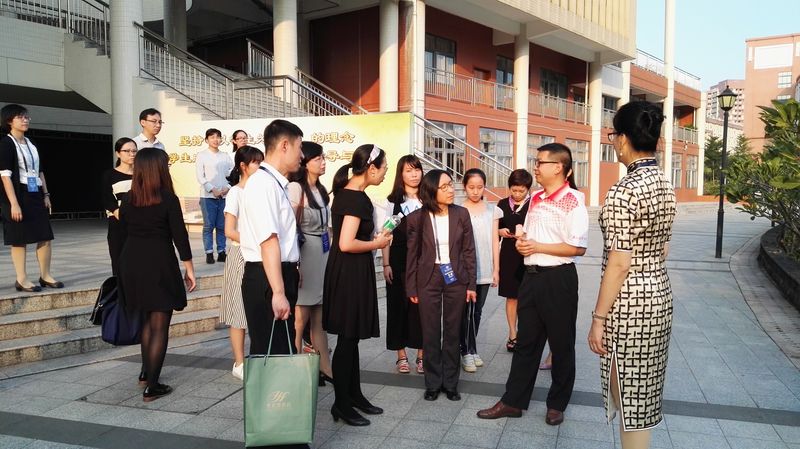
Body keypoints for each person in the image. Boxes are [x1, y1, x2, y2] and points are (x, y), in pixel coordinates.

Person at [477, 143, 588, 426]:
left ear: (558, 167)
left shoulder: (574, 200)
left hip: (558, 279)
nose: (535, 167)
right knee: (526, 342)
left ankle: (557, 404)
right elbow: (530, 234)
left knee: (561, 344)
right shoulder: (536, 197)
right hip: (531, 277)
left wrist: (538, 246)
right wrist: (523, 242)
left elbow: (578, 247)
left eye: (540, 162)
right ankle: (513, 401)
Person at [588, 101, 675, 449]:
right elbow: (663, 248)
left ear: (622, 139)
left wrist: (598, 318)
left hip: (628, 305)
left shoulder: (624, 191)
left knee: (627, 397)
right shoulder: (664, 184)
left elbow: (619, 262)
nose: (613, 142)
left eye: (613, 135)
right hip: (659, 296)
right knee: (642, 399)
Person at [118, 148, 196, 402]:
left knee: (145, 321)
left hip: (131, 262)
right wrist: (189, 269)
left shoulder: (128, 199)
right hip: (159, 262)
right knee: (159, 324)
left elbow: (122, 233)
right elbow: (180, 237)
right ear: (159, 169)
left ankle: (145, 372)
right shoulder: (168, 199)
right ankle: (152, 385)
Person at [323, 144, 391, 427]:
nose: (385, 173)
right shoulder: (355, 198)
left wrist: (374, 238)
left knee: (350, 340)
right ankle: (341, 404)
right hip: (349, 273)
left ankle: (353, 395)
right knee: (347, 340)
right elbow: (346, 243)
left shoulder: (349, 194)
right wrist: (378, 243)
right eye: (384, 168)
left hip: (349, 271)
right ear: (371, 168)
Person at [406, 169, 476, 402]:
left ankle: (451, 383)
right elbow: (412, 255)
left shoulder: (461, 214)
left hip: (455, 276)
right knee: (430, 331)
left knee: (453, 330)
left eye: (450, 184)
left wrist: (471, 284)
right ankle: (433, 383)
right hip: (428, 277)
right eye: (444, 186)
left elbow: (469, 250)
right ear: (431, 190)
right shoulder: (417, 218)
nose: (450, 190)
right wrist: (411, 287)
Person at [239, 119, 303, 356]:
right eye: (299, 147)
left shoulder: (275, 184)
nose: (301, 155)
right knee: (272, 356)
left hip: (278, 273)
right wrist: (278, 292)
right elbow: (268, 241)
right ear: (284, 145)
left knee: (281, 353)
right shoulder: (263, 184)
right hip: (267, 278)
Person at [0, 104, 63, 292]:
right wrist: (14, 204)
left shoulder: (31, 143)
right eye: (20, 117)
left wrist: (46, 194)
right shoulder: (6, 143)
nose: (25, 120)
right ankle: (21, 279)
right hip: (17, 194)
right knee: (20, 237)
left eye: (26, 117)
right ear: (9, 121)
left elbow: (40, 170)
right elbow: (5, 175)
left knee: (45, 235)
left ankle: (45, 275)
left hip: (35, 193)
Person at [288, 141, 333, 386]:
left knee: (320, 316)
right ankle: (295, 369)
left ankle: (325, 367)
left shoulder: (321, 189)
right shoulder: (296, 188)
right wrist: (296, 265)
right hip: (305, 255)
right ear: (305, 162)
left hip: (322, 254)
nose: (323, 162)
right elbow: (290, 228)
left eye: (323, 158)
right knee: (300, 318)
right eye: (318, 158)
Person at [219, 145, 263, 381]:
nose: (260, 166)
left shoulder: (261, 191)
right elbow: (229, 230)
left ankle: (257, 358)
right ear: (243, 166)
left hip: (259, 255)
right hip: (240, 254)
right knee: (238, 310)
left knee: (256, 309)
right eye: (256, 162)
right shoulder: (236, 192)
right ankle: (239, 362)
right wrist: (256, 241)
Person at [381, 155, 425, 375]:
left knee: (423, 310)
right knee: (397, 307)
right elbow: (385, 234)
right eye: (409, 170)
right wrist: (386, 263)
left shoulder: (428, 199)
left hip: (424, 262)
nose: (414, 174)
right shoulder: (392, 202)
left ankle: (422, 355)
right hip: (398, 261)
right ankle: (401, 356)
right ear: (401, 174)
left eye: (417, 170)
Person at [459, 168, 500, 373]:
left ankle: (471, 349)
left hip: (485, 268)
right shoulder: (458, 209)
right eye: (471, 187)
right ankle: (465, 351)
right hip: (464, 269)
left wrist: (496, 269)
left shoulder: (493, 210)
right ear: (464, 187)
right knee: (465, 312)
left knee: (477, 312)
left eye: (480, 187)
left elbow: (494, 241)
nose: (475, 191)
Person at [496, 169, 533, 352]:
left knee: (528, 298)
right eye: (514, 190)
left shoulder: (534, 205)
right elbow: (494, 230)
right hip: (509, 256)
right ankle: (512, 334)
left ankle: (527, 334)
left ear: (528, 189)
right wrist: (499, 231)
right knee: (512, 297)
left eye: (521, 191)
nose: (517, 194)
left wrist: (524, 234)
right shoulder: (502, 204)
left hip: (528, 254)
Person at [196, 128, 234, 264]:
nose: (216, 140)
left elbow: (233, 173)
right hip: (207, 197)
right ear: (206, 140)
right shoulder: (201, 155)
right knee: (208, 226)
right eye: (212, 137)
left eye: (218, 137)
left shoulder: (225, 156)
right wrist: (212, 189)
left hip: (224, 196)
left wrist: (227, 187)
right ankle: (209, 252)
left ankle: (221, 251)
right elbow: (200, 176)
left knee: (221, 226)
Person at [102, 137, 136, 275]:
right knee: (119, 259)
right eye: (127, 151)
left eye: (134, 151)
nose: (131, 154)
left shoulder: (141, 174)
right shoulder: (109, 175)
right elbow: (106, 198)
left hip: (140, 222)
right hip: (117, 222)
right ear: (118, 153)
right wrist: (117, 212)